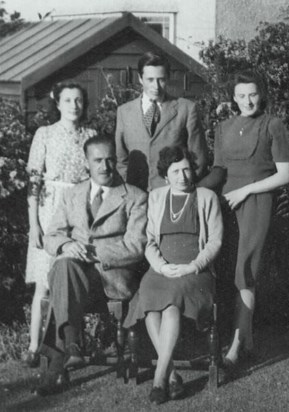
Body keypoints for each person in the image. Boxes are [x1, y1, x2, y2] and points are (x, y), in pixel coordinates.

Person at [34, 135, 147, 396]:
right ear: (87, 163)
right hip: (73, 275)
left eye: (110, 160)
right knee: (64, 265)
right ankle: (71, 347)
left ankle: (62, 358)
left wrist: (90, 251)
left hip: (111, 278)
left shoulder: (135, 197)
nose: (105, 166)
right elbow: (52, 237)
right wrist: (65, 246)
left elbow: (135, 247)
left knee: (63, 272)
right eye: (98, 160)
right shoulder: (72, 194)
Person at [124, 145, 223, 404]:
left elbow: (215, 243)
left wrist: (192, 266)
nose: (183, 176)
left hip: (195, 271)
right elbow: (149, 241)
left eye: (187, 169)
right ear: (166, 176)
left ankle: (159, 378)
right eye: (176, 171)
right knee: (149, 299)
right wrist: (160, 266)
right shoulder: (156, 197)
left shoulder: (206, 197)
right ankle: (172, 375)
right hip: (162, 268)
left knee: (171, 305)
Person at [211, 70, 289, 367]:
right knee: (231, 268)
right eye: (242, 95)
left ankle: (235, 346)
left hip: (257, 202)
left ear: (262, 93)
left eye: (253, 94)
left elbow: (284, 175)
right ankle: (246, 340)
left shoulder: (273, 125)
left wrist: (246, 191)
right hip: (225, 203)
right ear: (233, 98)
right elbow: (219, 170)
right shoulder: (224, 127)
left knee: (245, 269)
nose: (248, 101)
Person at [24, 81, 97, 367]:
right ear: (58, 103)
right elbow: (33, 182)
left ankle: (64, 346)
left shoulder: (90, 135)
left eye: (78, 101)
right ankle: (33, 346)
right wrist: (34, 225)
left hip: (78, 209)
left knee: (65, 279)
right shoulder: (45, 134)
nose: (74, 106)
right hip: (49, 208)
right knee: (43, 283)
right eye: (68, 101)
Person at [115, 51, 208, 191]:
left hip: (172, 194)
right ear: (140, 78)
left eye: (161, 79)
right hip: (135, 195)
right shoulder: (124, 112)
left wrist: (181, 189)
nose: (156, 86)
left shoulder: (186, 109)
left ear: (168, 78)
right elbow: (120, 160)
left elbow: (198, 158)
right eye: (150, 80)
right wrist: (129, 190)